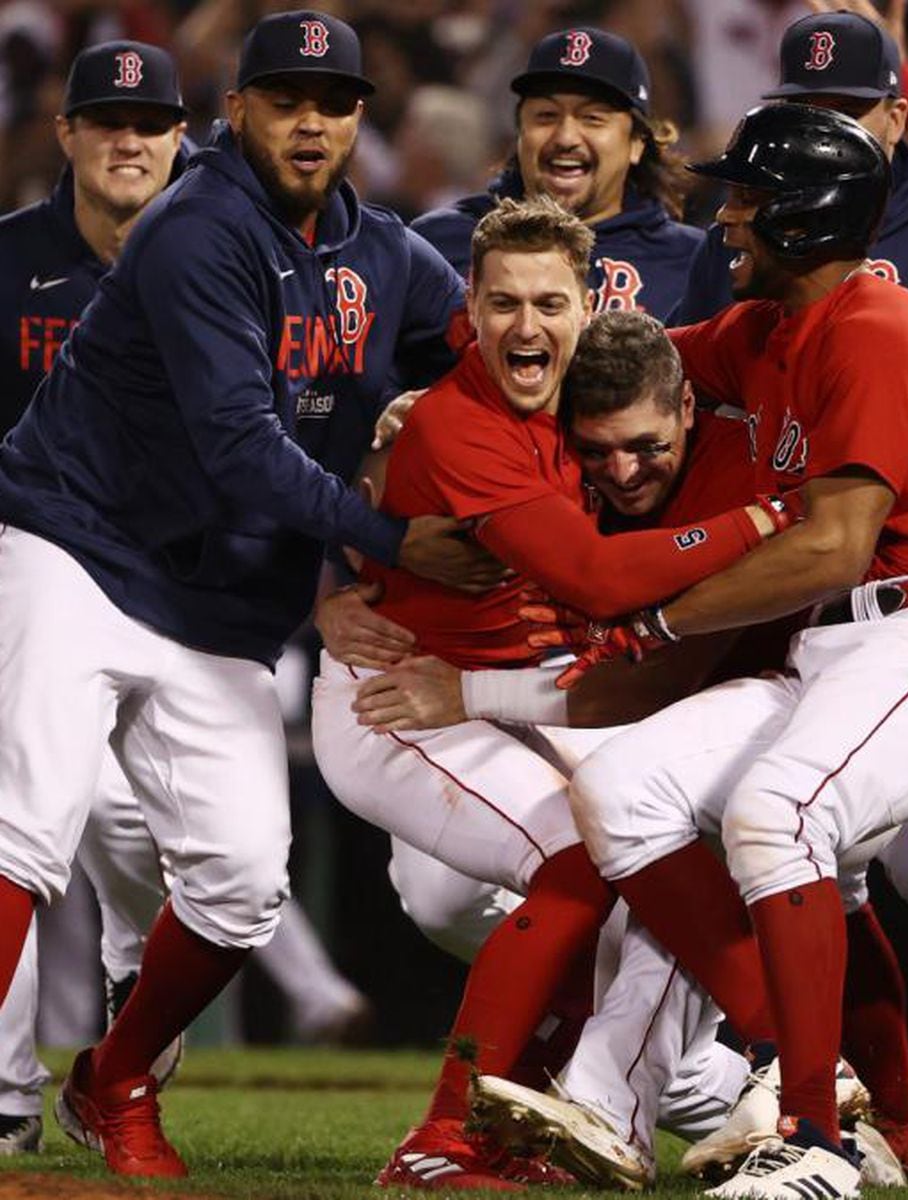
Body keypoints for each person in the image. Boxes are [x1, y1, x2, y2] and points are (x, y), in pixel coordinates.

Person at [0, 8, 469, 1178]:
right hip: (78, 543)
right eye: (284, 98)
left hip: (220, 606)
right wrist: (392, 540)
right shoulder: (195, 225)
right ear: (240, 109)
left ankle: (114, 1081)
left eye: (334, 101)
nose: (310, 121)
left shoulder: (388, 255)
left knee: (245, 877)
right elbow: (239, 446)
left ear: (362, 117)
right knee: (28, 820)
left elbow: (471, 363)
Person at [537, 102, 908, 1200]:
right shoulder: (766, 330)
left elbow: (833, 546)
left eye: (750, 202)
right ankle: (840, 1093)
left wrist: (660, 621)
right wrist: (469, 399)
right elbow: (641, 364)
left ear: (810, 219)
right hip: (846, 649)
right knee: (621, 785)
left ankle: (812, 1139)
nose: (728, 220)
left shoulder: (874, 327)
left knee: (776, 812)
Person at [310, 196, 788, 1190]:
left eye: (549, 303)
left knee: (644, 838)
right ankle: (442, 1134)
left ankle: (589, 1101)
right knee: (580, 856)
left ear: (588, 307)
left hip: (501, 687)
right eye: (503, 303)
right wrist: (766, 519)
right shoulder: (457, 424)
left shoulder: (585, 397)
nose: (526, 325)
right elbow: (602, 581)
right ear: (468, 315)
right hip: (401, 698)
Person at [0, 37, 190, 1159]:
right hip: (26, 567)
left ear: (183, 139)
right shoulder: (7, 259)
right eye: (107, 119)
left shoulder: (223, 261)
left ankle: (131, 980)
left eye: (152, 121)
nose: (130, 137)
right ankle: (10, 1095)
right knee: (21, 820)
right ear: (64, 134)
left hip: (171, 586)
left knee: (140, 830)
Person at [675, 8, 908, 579]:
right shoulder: (740, 228)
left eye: (847, 112)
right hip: (777, 566)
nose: (822, 133)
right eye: (807, 112)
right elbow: (685, 385)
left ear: (896, 119)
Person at [412, 26, 702, 322]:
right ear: (520, 133)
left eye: (592, 119)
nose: (565, 138)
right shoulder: (440, 245)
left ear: (637, 143)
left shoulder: (696, 264)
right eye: (546, 116)